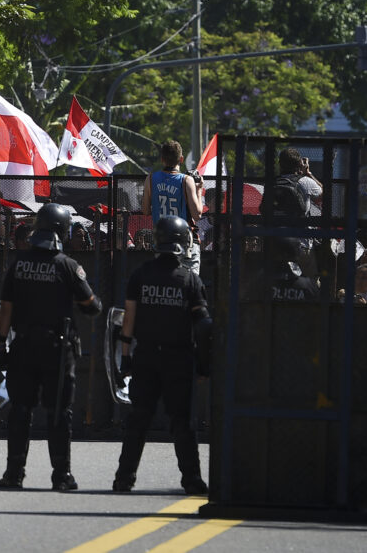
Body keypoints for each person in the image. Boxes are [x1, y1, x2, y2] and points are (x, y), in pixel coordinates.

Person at [0, 204, 102, 491]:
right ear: (63, 231)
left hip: (23, 346)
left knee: (20, 411)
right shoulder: (67, 265)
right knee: (59, 412)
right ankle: (61, 476)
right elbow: (92, 306)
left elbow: (6, 309)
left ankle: (13, 475)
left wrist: (0, 345)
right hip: (58, 349)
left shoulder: (18, 264)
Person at [112, 216, 210, 496]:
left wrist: (126, 355)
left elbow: (128, 318)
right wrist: (204, 365)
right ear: (184, 244)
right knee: (182, 422)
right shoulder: (190, 280)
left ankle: (124, 479)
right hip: (179, 359)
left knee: (138, 419)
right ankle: (191, 479)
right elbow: (202, 325)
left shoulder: (140, 275)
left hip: (146, 358)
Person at [143, 140, 204, 274]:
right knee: (189, 286)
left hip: (162, 242)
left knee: (165, 282)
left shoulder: (151, 179)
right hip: (185, 243)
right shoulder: (186, 180)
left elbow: (146, 210)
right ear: (181, 159)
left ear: (162, 159)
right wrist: (199, 190)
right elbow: (197, 215)